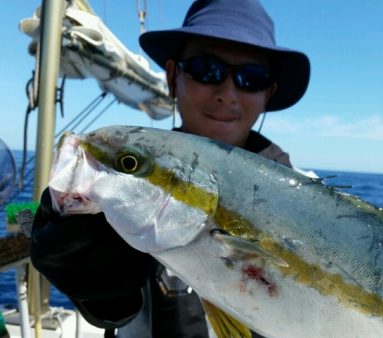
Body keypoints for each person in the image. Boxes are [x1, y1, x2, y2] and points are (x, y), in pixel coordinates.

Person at [30, 0, 310, 337]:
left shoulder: (309, 195)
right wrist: (96, 286)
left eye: (252, 78)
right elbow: (112, 308)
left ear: (269, 92)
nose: (227, 92)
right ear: (173, 76)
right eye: (207, 69)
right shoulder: (127, 186)